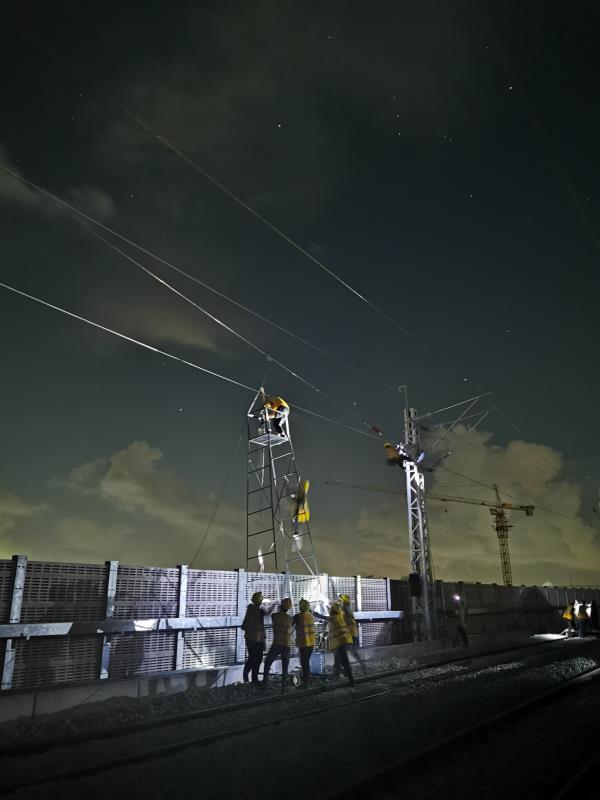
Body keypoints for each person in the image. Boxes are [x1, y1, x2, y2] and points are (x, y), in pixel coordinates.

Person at [314, 602, 355, 686]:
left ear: (333, 610)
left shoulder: (333, 618)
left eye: (331, 608)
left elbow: (321, 616)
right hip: (344, 641)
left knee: (344, 661)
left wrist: (313, 612)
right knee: (337, 659)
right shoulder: (340, 616)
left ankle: (351, 680)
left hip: (340, 642)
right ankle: (338, 674)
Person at [264, 598, 293, 692]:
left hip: (277, 644)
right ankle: (283, 689)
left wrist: (273, 604)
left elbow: (268, 613)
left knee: (268, 662)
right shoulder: (290, 618)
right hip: (287, 645)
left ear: (280, 606)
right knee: (285, 667)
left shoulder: (275, 616)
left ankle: (265, 686)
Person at [241, 591, 266, 684]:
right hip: (257, 639)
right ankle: (254, 679)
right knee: (257, 659)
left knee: (252, 657)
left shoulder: (250, 609)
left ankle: (247, 675)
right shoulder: (258, 611)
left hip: (250, 638)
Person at [293, 598, 316, 686]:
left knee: (304, 662)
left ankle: (306, 681)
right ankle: (306, 677)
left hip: (303, 643)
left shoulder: (298, 616)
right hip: (311, 643)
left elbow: (289, 623)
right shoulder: (310, 615)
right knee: (306, 661)